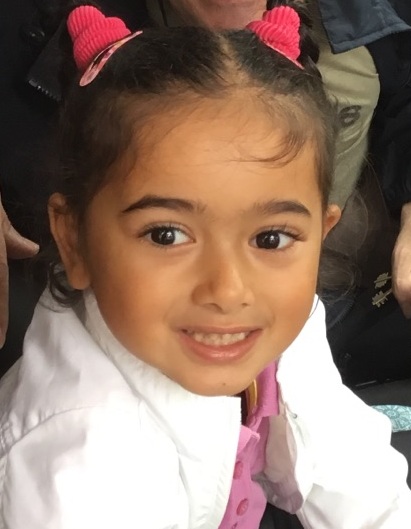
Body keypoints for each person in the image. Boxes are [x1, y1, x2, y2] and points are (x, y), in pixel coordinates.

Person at [0, 3, 410, 528]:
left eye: (270, 237)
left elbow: (345, 456)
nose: (229, 288)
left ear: (319, 233)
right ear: (73, 241)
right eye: (166, 235)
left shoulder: (279, 309)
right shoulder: (85, 472)